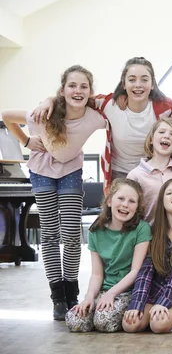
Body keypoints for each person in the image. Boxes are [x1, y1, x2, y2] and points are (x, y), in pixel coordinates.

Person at [2, 65, 107, 320]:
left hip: (71, 170)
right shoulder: (44, 112)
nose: (78, 91)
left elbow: (116, 110)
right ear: (63, 90)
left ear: (90, 91)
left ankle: (72, 290)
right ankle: (57, 297)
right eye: (72, 85)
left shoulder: (94, 116)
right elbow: (6, 115)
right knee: (49, 233)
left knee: (71, 233)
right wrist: (26, 141)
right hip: (42, 170)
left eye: (84, 86)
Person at [32, 57, 172, 191]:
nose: (138, 85)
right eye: (132, 79)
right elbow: (76, 98)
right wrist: (49, 100)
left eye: (144, 79)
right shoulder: (110, 104)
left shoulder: (164, 107)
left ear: (152, 84)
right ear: (124, 84)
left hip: (151, 172)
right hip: (118, 173)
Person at [65, 179, 151, 332]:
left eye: (132, 201)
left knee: (103, 321)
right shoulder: (95, 231)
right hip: (103, 290)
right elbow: (97, 274)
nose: (125, 204)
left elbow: (135, 272)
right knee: (75, 320)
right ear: (110, 201)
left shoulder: (141, 229)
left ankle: (104, 311)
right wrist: (89, 297)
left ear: (137, 207)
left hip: (127, 292)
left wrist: (112, 294)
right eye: (121, 199)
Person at [123, 179, 172, 333]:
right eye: (169, 193)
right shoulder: (153, 232)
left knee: (158, 324)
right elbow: (145, 272)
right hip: (157, 290)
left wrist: (165, 302)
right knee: (130, 324)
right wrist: (137, 303)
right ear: (162, 201)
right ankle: (154, 310)